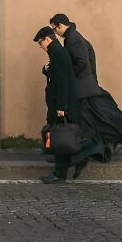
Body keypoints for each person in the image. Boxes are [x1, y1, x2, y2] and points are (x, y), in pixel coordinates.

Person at [49, 13, 122, 177]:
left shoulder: (73, 39)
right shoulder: (74, 37)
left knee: (95, 118)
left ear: (61, 25)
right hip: (87, 86)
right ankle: (102, 146)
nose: (55, 32)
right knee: (98, 117)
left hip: (83, 88)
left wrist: (70, 77)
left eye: (55, 28)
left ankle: (102, 145)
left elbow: (82, 62)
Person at [33, 26, 79, 184]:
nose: (40, 46)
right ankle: (61, 169)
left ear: (47, 39)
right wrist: (46, 70)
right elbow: (58, 75)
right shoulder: (56, 52)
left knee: (59, 137)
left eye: (40, 42)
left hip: (60, 106)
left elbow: (62, 83)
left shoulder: (57, 53)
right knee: (60, 137)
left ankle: (59, 173)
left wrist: (60, 107)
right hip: (60, 104)